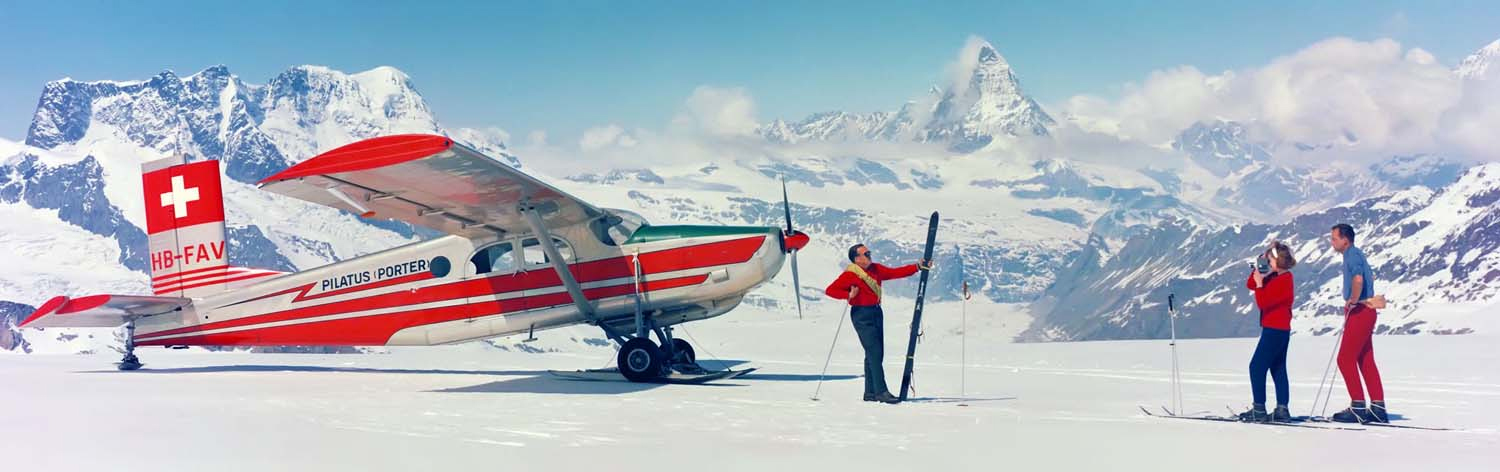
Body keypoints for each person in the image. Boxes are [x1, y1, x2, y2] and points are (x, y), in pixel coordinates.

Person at [824, 244, 929, 404]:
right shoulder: (850, 274)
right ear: (857, 258)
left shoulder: (875, 269)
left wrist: (917, 267)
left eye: (869, 253)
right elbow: (830, 290)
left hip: (876, 312)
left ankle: (870, 392)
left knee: (874, 353)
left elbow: (895, 273)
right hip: (861, 314)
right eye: (865, 253)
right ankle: (881, 391)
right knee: (874, 352)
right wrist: (848, 294)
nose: (869, 255)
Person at [1329, 223, 1387, 423]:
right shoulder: (1356, 254)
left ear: (1345, 239)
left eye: (1334, 238)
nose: (1332, 242)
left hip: (1360, 311)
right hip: (1368, 311)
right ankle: (1378, 408)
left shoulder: (1351, 255)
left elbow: (1359, 279)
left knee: (1344, 359)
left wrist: (1353, 300)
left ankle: (1358, 407)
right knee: (1364, 359)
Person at [1238, 241, 1296, 423]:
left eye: (1270, 259)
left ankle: (1259, 409)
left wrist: (1260, 284)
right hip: (1278, 330)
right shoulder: (1274, 276)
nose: (1267, 262)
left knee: (1256, 367)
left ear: (1278, 261)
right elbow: (1250, 284)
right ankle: (1282, 409)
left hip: (1275, 330)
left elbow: (1263, 302)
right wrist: (1260, 266)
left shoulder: (1284, 280)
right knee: (1278, 368)